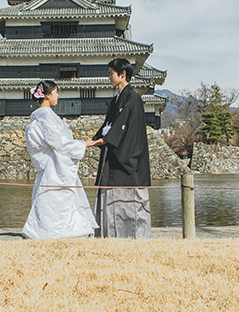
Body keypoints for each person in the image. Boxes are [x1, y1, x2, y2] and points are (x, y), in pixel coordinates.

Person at [22, 80, 99, 239]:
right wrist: (82, 144)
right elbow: (58, 142)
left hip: (49, 165)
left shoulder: (41, 118)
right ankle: (57, 232)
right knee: (56, 199)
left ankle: (46, 230)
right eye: (56, 92)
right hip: (55, 165)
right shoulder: (47, 118)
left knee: (49, 200)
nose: (58, 95)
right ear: (48, 95)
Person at [89, 58, 152, 238]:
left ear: (122, 74)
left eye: (111, 73)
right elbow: (109, 125)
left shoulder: (133, 99)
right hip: (113, 152)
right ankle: (110, 233)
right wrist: (100, 138)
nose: (108, 77)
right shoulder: (117, 99)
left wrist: (104, 140)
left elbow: (125, 129)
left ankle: (130, 234)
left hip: (126, 156)